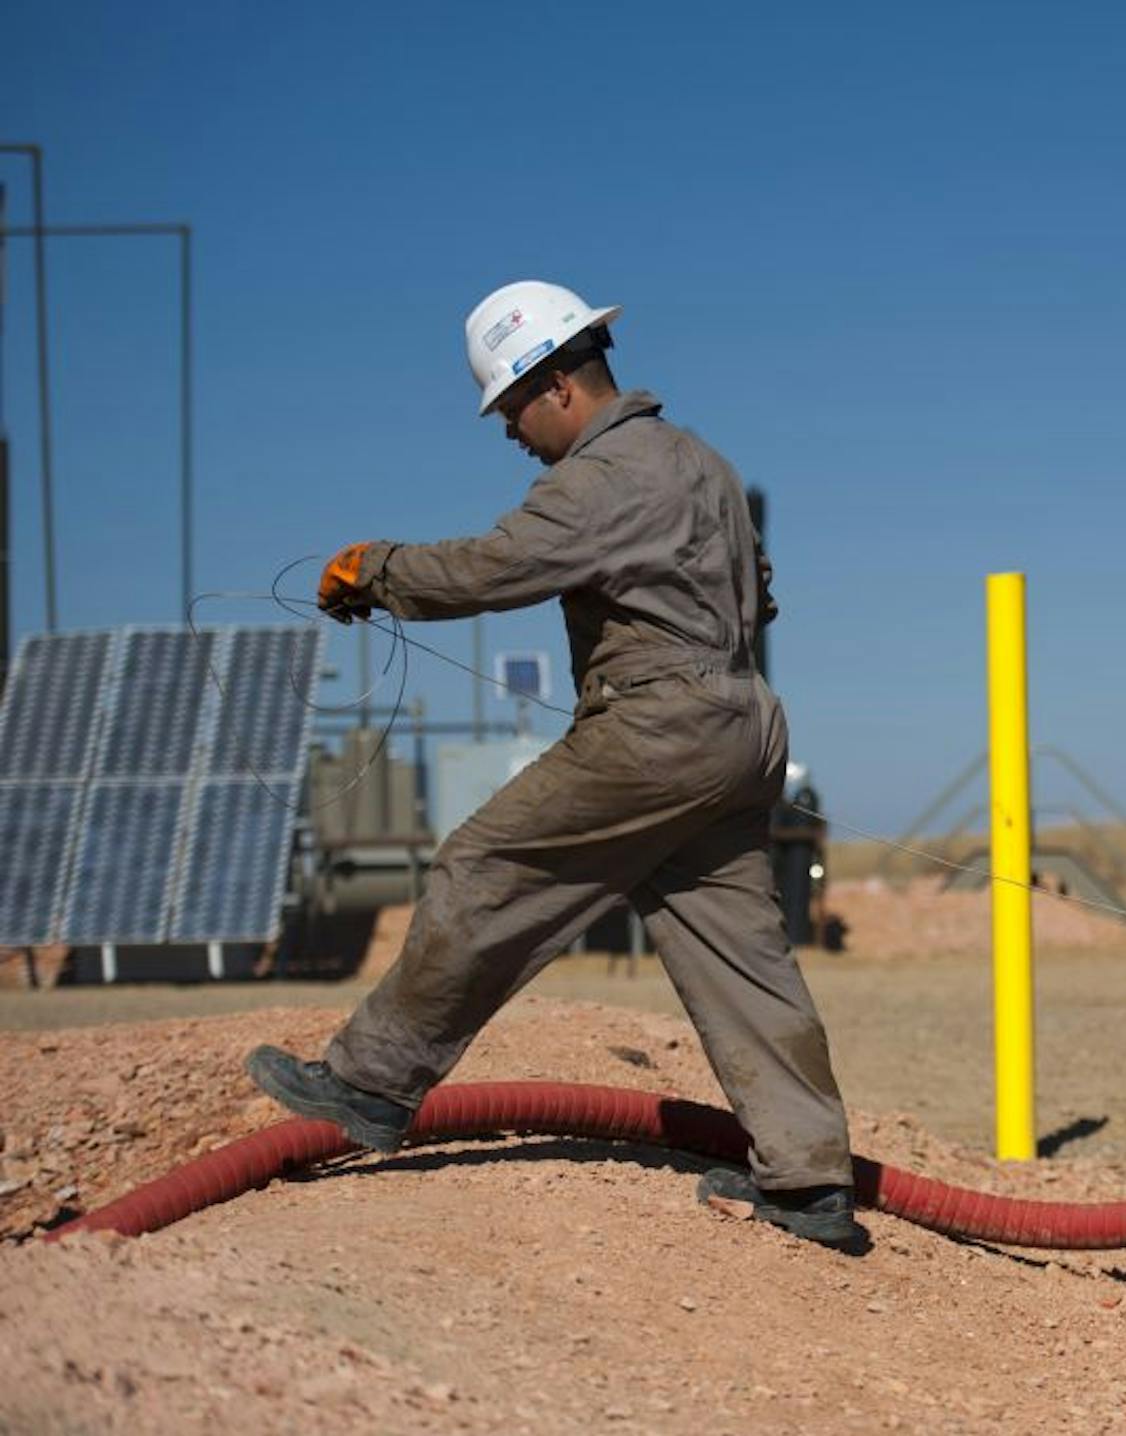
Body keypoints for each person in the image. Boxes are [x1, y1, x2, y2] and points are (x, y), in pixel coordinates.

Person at [246, 281, 865, 1252]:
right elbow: (764, 595)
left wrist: (374, 570)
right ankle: (809, 1177)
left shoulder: (603, 474)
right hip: (746, 724)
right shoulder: (704, 464)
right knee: (738, 952)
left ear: (553, 383)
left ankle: (369, 1083)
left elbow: (498, 567)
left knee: (484, 868)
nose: (510, 435)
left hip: (653, 728)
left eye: (510, 413)